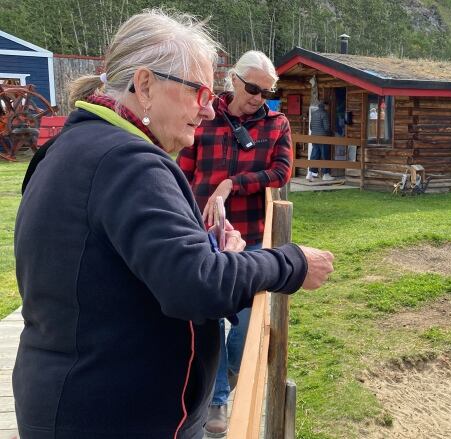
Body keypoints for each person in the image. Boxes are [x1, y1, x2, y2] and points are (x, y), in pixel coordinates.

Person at [12, 10, 333, 439]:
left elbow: (117, 263)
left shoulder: (75, 144)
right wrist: (290, 263)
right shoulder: (129, 162)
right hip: (119, 416)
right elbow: (195, 285)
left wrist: (204, 245)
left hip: (80, 398)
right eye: (198, 93)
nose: (206, 111)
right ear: (144, 85)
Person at [176, 50, 291, 437]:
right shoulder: (205, 116)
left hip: (250, 234)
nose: (259, 97)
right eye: (254, 88)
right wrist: (187, 213)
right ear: (234, 81)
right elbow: (183, 169)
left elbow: (281, 170)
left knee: (245, 319)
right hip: (204, 235)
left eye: (267, 91)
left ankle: (227, 371)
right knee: (209, 315)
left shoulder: (276, 123)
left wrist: (232, 185)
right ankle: (218, 399)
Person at [306, 101, 334, 182]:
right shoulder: (324, 114)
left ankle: (310, 173)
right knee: (325, 155)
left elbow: (311, 127)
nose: (328, 108)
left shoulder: (314, 114)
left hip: (314, 137)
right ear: (324, 106)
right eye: (327, 106)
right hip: (323, 138)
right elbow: (326, 128)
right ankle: (326, 174)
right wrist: (332, 133)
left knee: (314, 155)